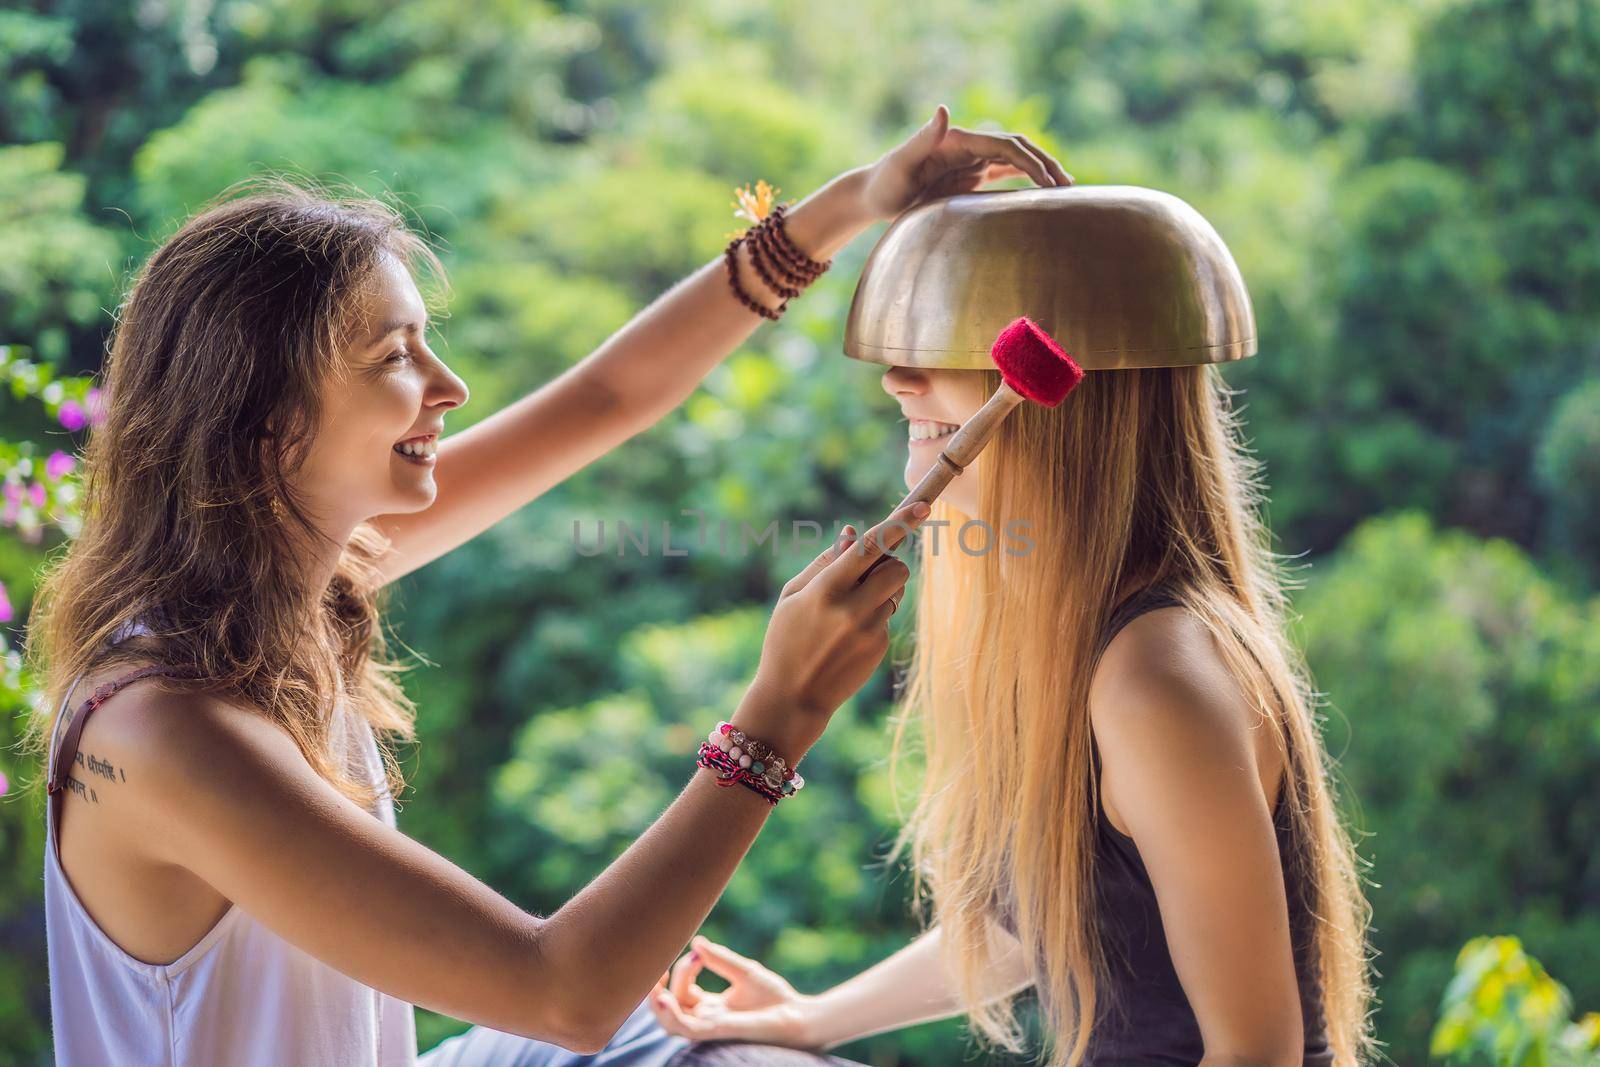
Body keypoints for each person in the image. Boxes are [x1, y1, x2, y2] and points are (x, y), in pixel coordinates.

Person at [23, 107, 1071, 1066]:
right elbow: (559, 989)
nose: (451, 386)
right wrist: (777, 715)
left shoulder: (297, 576)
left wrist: (858, 199)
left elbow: (609, 395)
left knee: (720, 1050)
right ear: (267, 421)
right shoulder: (164, 730)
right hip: (551, 984)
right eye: (398, 354)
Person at [650, 360, 1378, 1066]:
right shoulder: (1076, 634)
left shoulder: (1155, 678)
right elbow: (1044, 922)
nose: (898, 380)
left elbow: (1257, 1053)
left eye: (953, 347)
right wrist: (813, 1017)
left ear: (1078, 385)